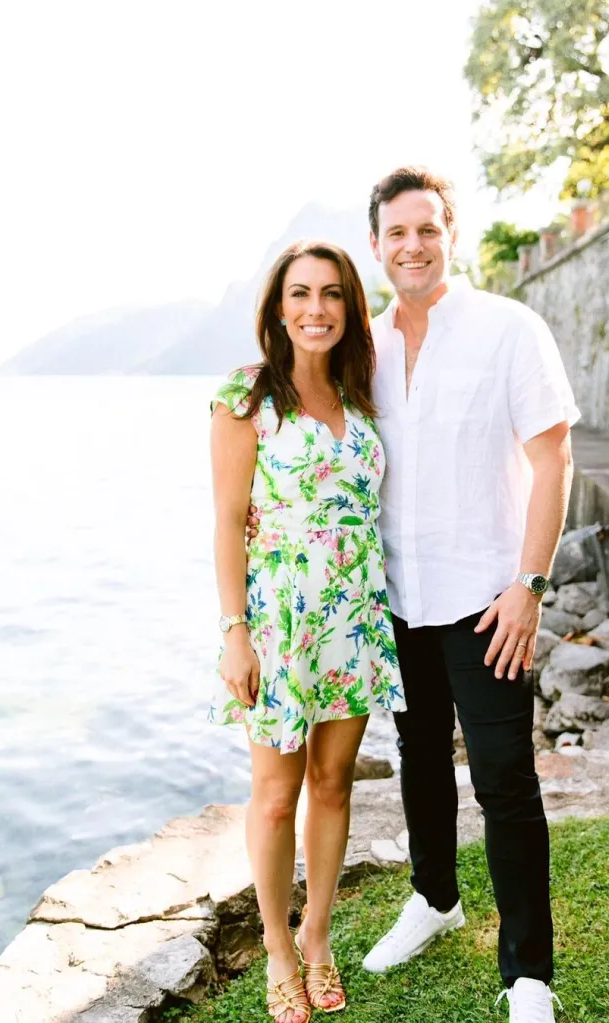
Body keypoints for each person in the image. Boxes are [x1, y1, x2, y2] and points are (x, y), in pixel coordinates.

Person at [357, 168, 579, 1023]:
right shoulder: (362, 349)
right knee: (417, 761)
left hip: (488, 599)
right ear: (375, 245)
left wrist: (528, 584)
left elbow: (551, 459)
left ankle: (527, 971)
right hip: (397, 600)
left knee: (503, 781)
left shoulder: (507, 329)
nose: (411, 246)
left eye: (426, 229)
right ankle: (434, 897)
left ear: (450, 233)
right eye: (395, 233)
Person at [209, 239, 406, 1023]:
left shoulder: (365, 396)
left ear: (349, 307)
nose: (315, 309)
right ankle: (277, 949)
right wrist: (235, 633)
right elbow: (227, 524)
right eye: (299, 294)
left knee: (332, 784)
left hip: (354, 614)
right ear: (277, 308)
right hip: (281, 618)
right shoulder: (243, 398)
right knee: (272, 793)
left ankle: (317, 936)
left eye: (330, 294)